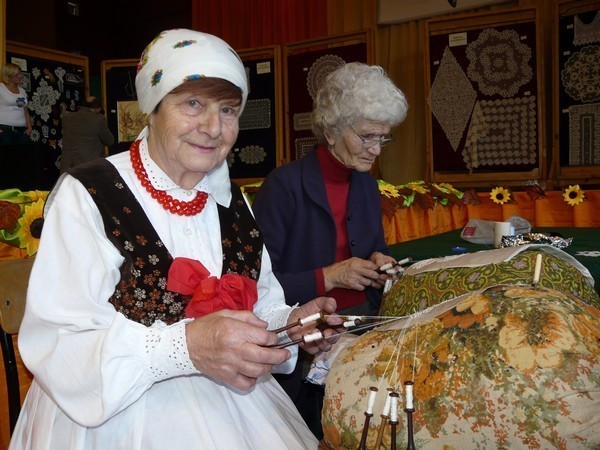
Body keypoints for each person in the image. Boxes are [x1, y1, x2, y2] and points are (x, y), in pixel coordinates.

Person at [9, 29, 344, 450]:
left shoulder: (232, 202)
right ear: (152, 109)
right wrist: (184, 346)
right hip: (114, 416)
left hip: (232, 409)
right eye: (192, 104)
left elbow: (260, 305)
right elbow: (61, 339)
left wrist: (288, 326)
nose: (211, 127)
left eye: (227, 110)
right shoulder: (90, 192)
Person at [252, 62, 409, 437]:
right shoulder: (283, 186)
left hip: (361, 323)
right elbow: (253, 287)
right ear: (331, 130)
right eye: (367, 137)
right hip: (305, 335)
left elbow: (374, 248)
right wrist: (330, 275)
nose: (375, 150)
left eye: (383, 138)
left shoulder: (367, 186)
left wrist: (379, 260)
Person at [59, 95, 115, 173]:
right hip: (88, 168)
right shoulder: (98, 119)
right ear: (98, 109)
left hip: (67, 167)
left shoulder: (67, 118)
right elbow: (110, 141)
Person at [0, 63, 32, 145]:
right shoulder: (1, 88)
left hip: (22, 132)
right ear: (9, 76)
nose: (20, 76)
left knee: (20, 157)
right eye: (17, 74)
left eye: (20, 74)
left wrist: (29, 127)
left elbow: (25, 111)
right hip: (4, 131)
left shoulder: (22, 91)